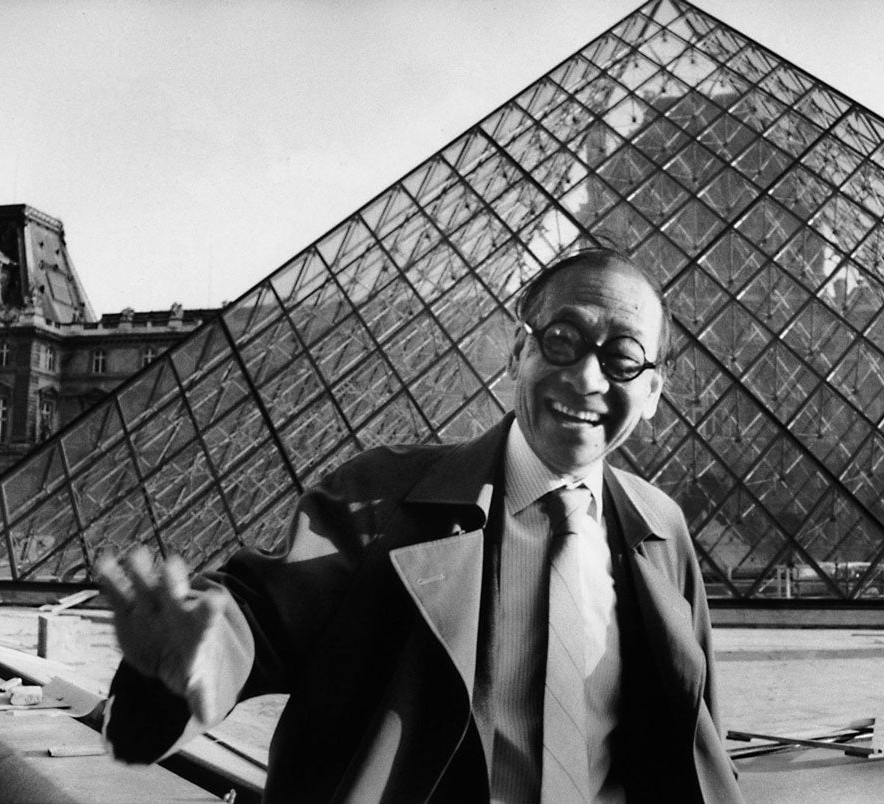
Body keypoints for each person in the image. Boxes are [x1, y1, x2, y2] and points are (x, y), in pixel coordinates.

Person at [98, 247, 743, 803]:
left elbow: (696, 741)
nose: (586, 376)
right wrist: (196, 657)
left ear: (654, 393)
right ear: (518, 352)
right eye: (562, 340)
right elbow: (254, 613)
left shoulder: (663, 530)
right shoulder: (378, 499)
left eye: (624, 357)